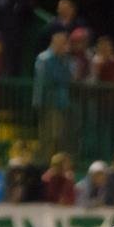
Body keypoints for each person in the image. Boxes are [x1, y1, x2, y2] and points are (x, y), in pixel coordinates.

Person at [33, 32, 73, 160]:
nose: (65, 46)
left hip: (62, 103)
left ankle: (55, 162)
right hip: (48, 103)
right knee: (48, 136)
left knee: (59, 136)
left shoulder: (64, 59)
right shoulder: (44, 59)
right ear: (55, 43)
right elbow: (52, 78)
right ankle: (44, 163)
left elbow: (69, 77)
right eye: (62, 43)